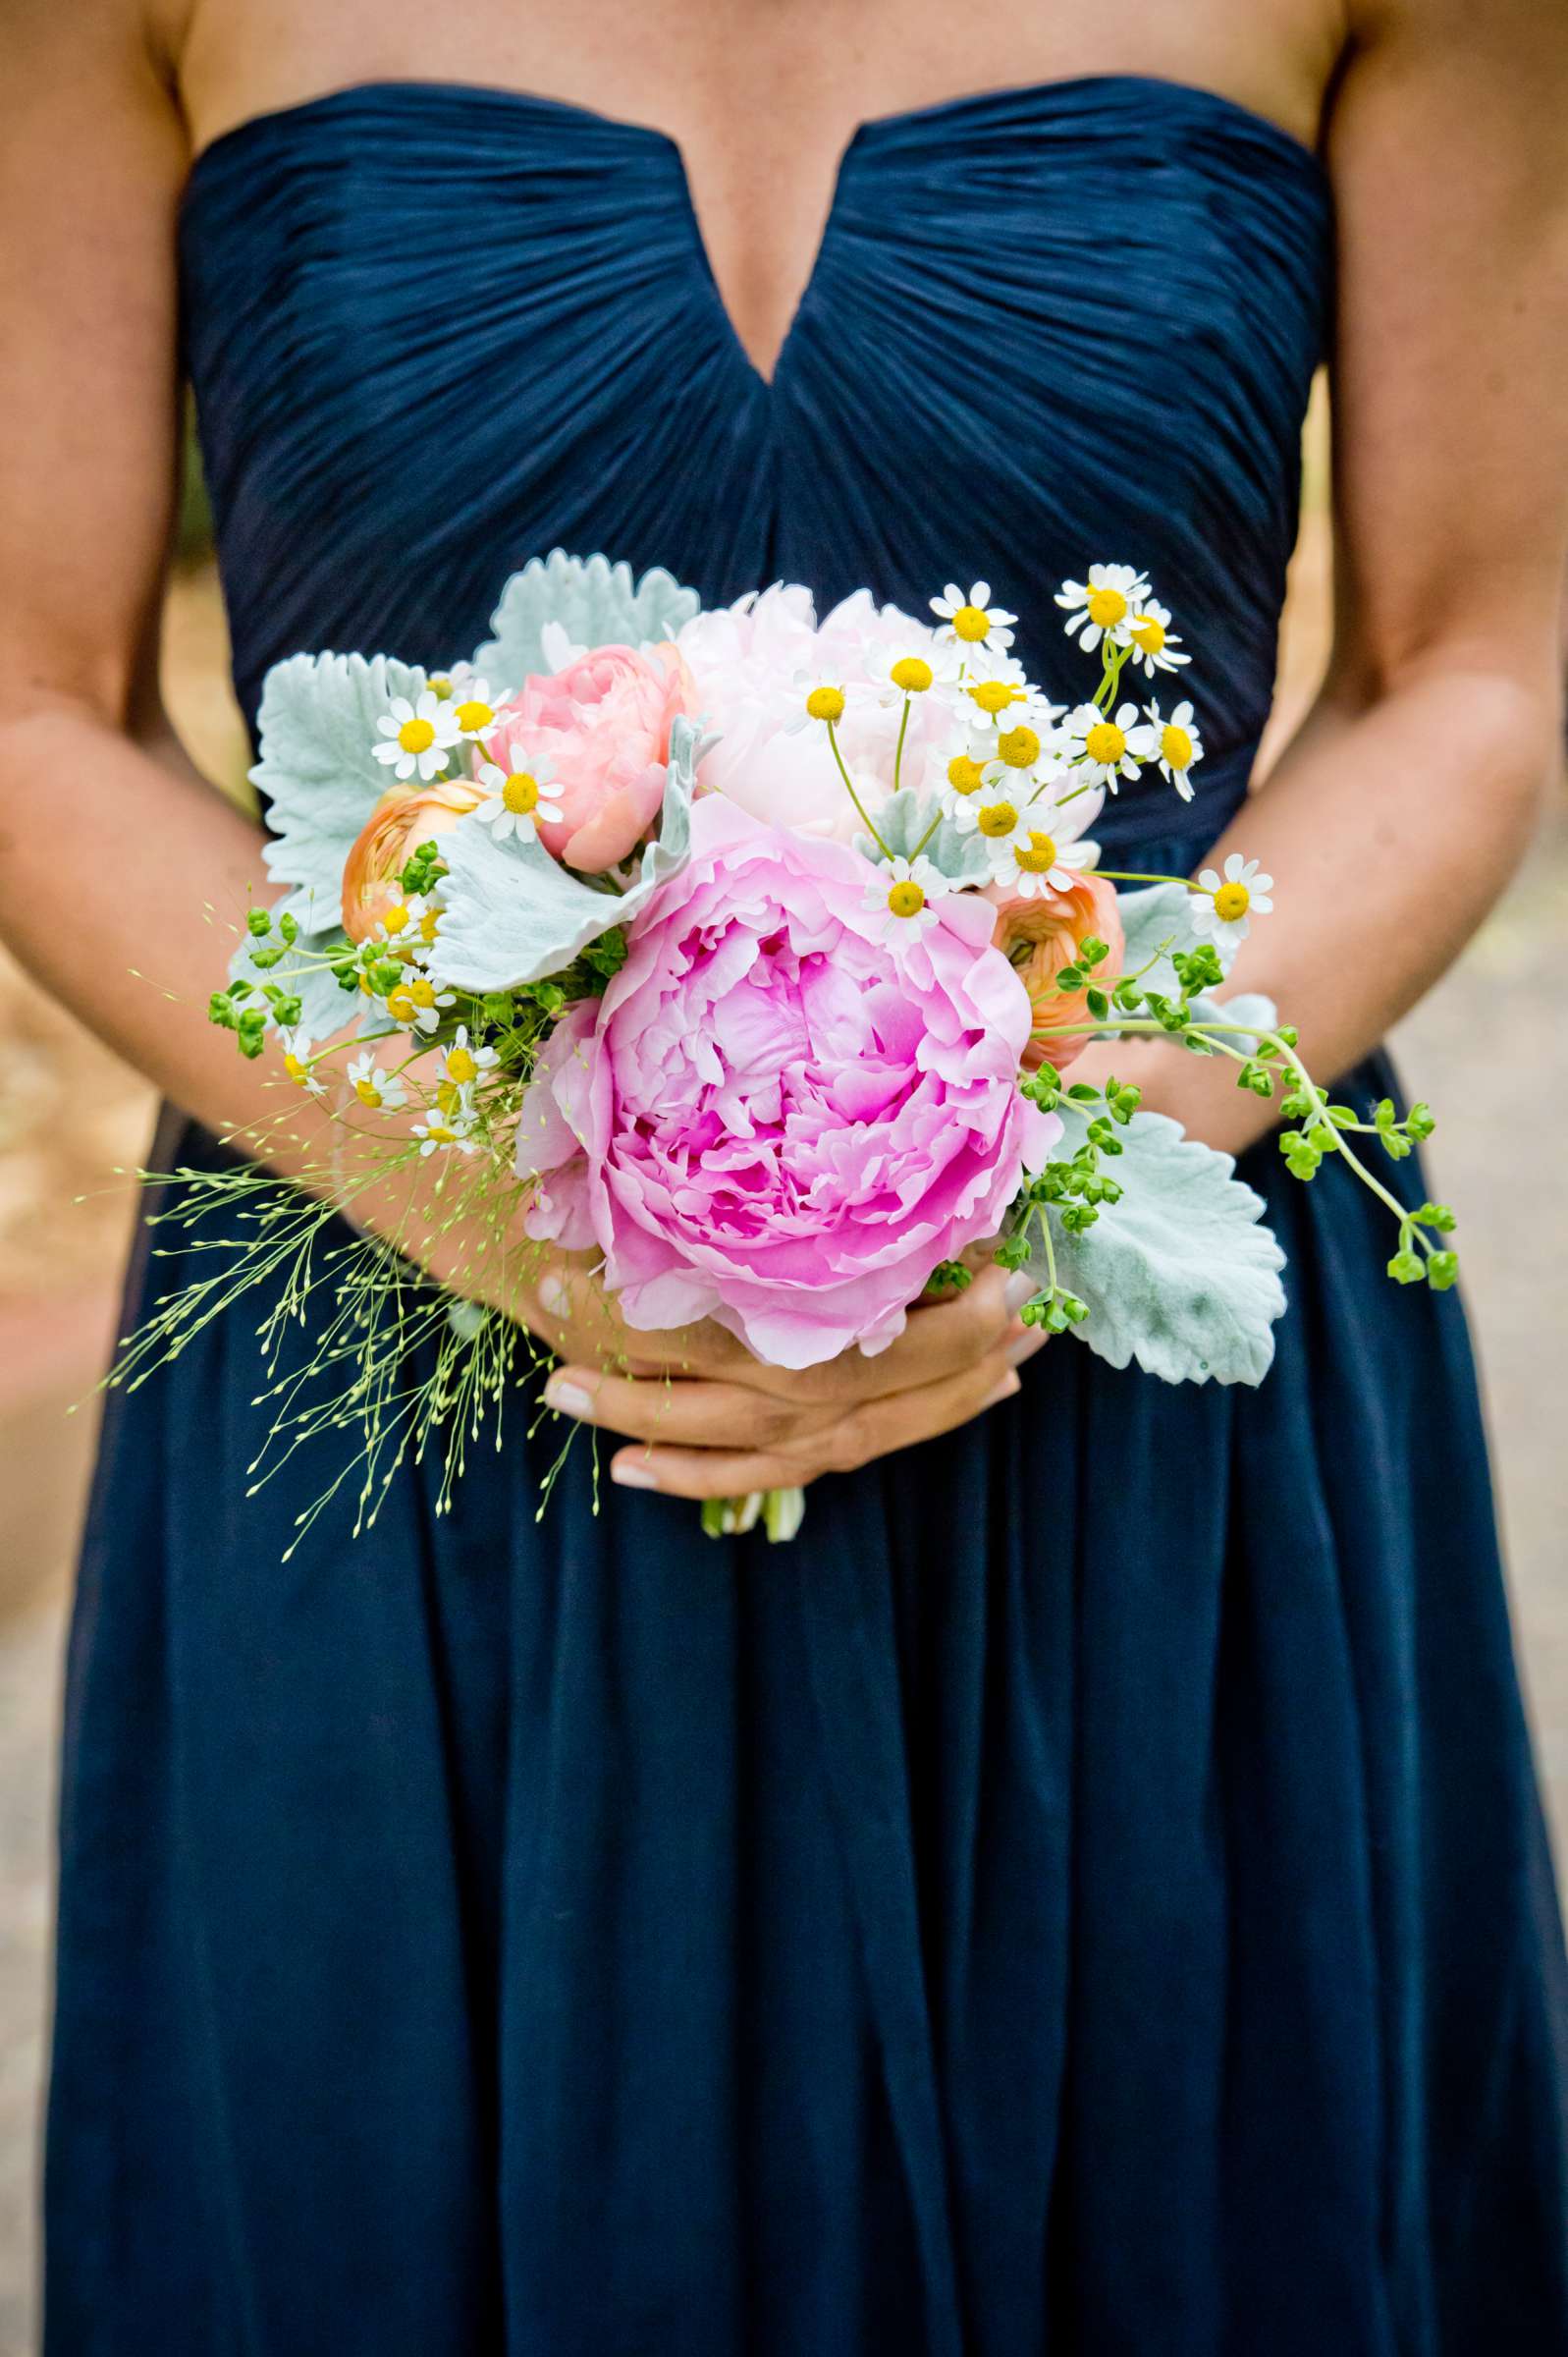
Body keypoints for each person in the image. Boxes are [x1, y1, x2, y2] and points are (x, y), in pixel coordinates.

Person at [9, 0, 1568, 2347]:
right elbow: (26, 695)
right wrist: (525, 1200)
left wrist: (1015, 1190)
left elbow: (1476, 656)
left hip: (1129, 1372)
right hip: (402, 1364)